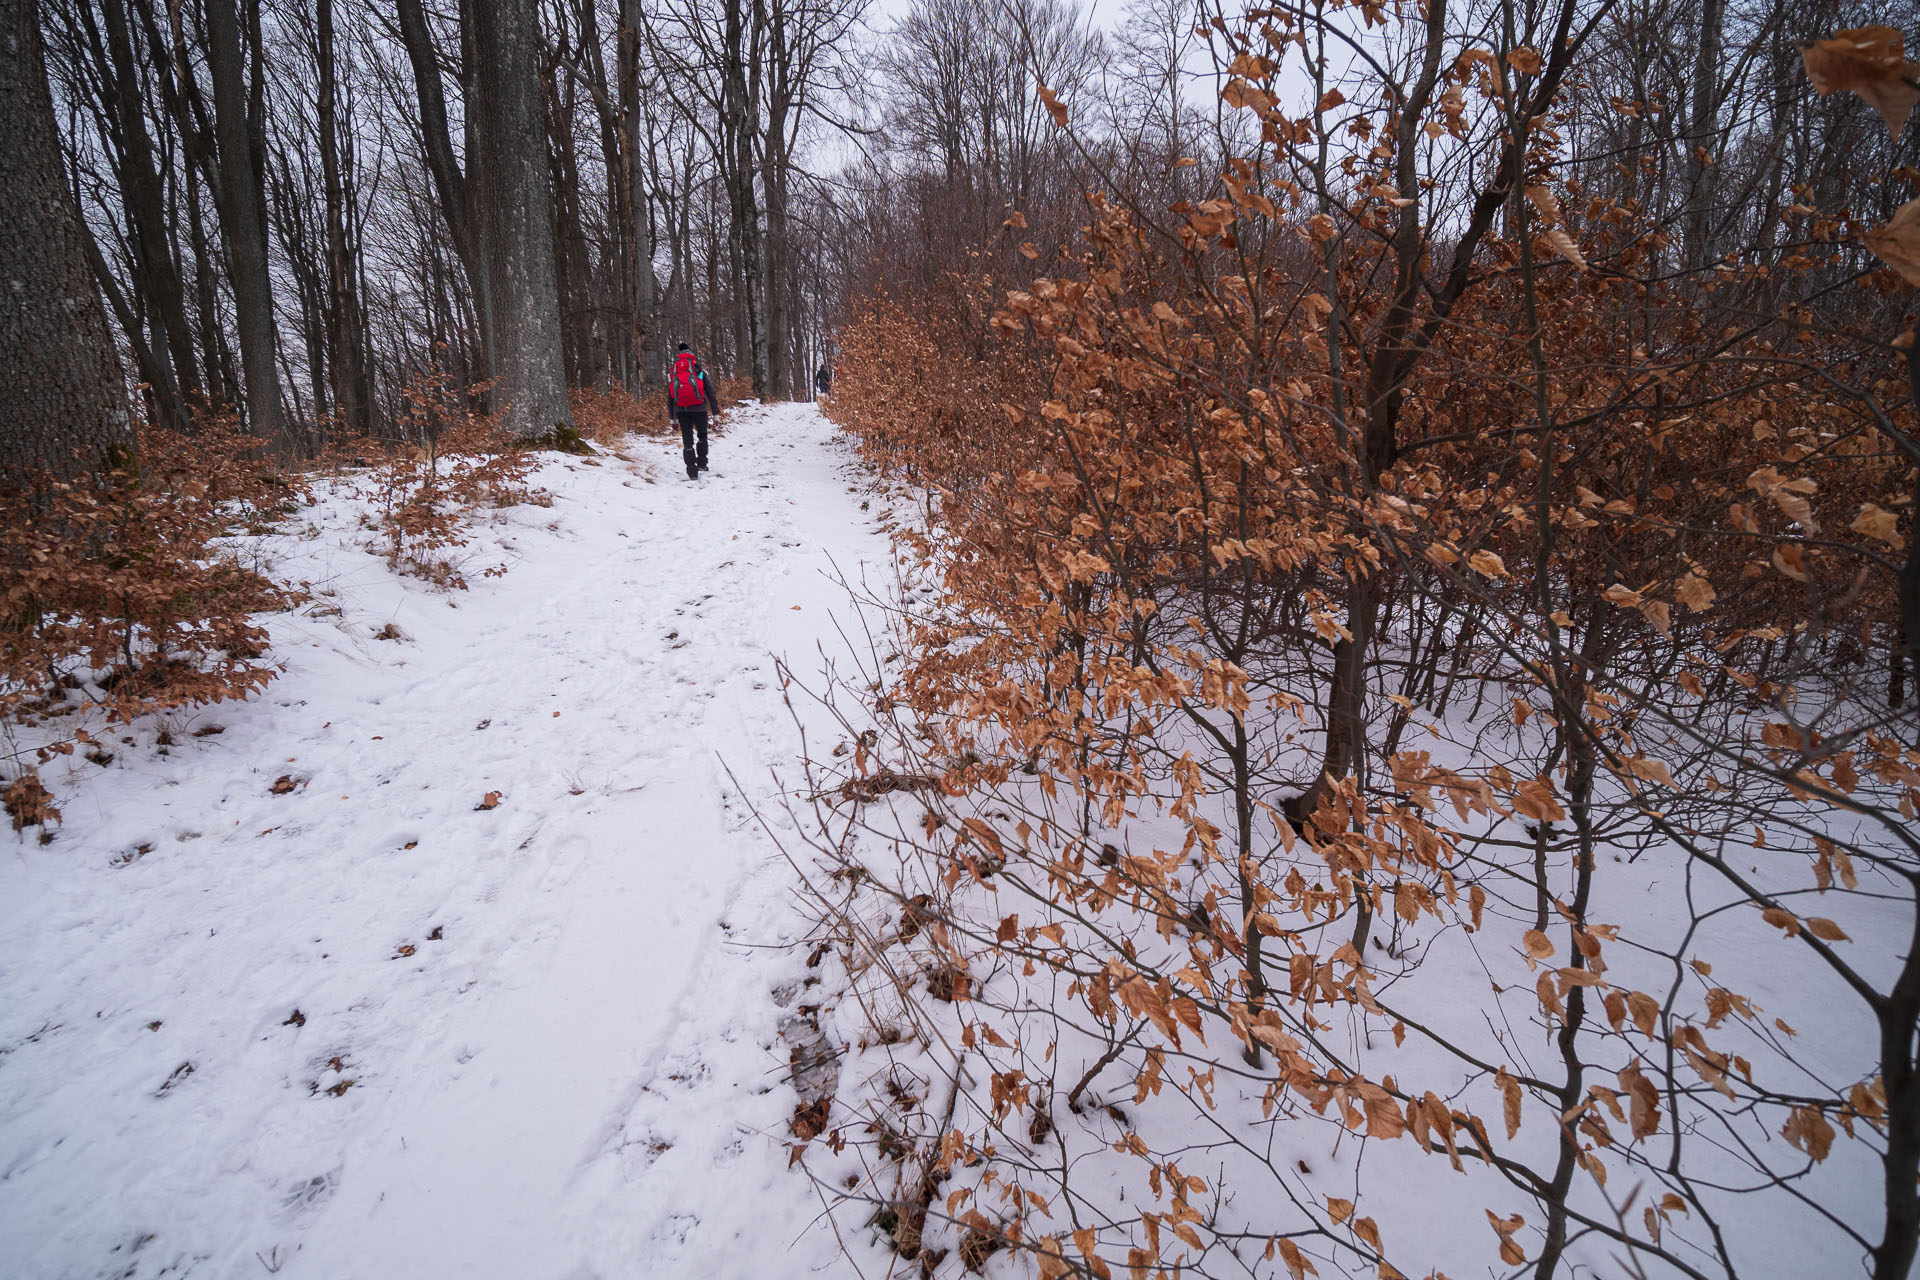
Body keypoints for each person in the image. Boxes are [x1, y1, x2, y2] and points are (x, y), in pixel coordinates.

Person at [667, 342, 719, 480]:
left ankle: (691, 471)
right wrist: (715, 414)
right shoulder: (699, 371)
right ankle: (702, 463)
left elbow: (671, 398)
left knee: (687, 441)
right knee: (702, 436)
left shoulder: (674, 373)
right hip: (699, 409)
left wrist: (672, 419)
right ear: (691, 356)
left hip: (682, 411)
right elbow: (711, 393)